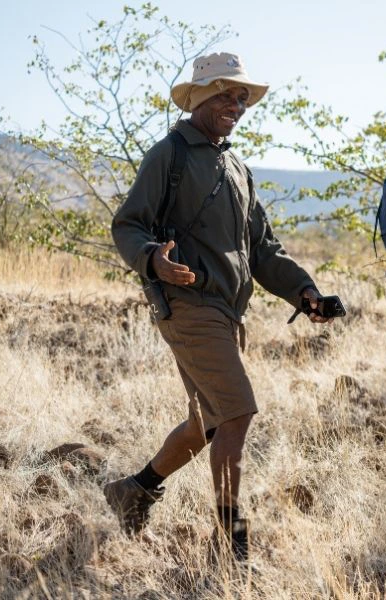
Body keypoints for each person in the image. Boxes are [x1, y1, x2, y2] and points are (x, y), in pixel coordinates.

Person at [106, 52, 333, 562]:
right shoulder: (170, 154)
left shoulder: (237, 167)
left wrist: (306, 293)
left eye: (242, 97)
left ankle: (133, 490)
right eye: (226, 94)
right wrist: (154, 262)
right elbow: (128, 225)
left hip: (228, 315)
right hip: (187, 305)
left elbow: (264, 250)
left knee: (207, 424)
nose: (236, 104)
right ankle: (232, 545)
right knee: (237, 411)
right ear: (201, 97)